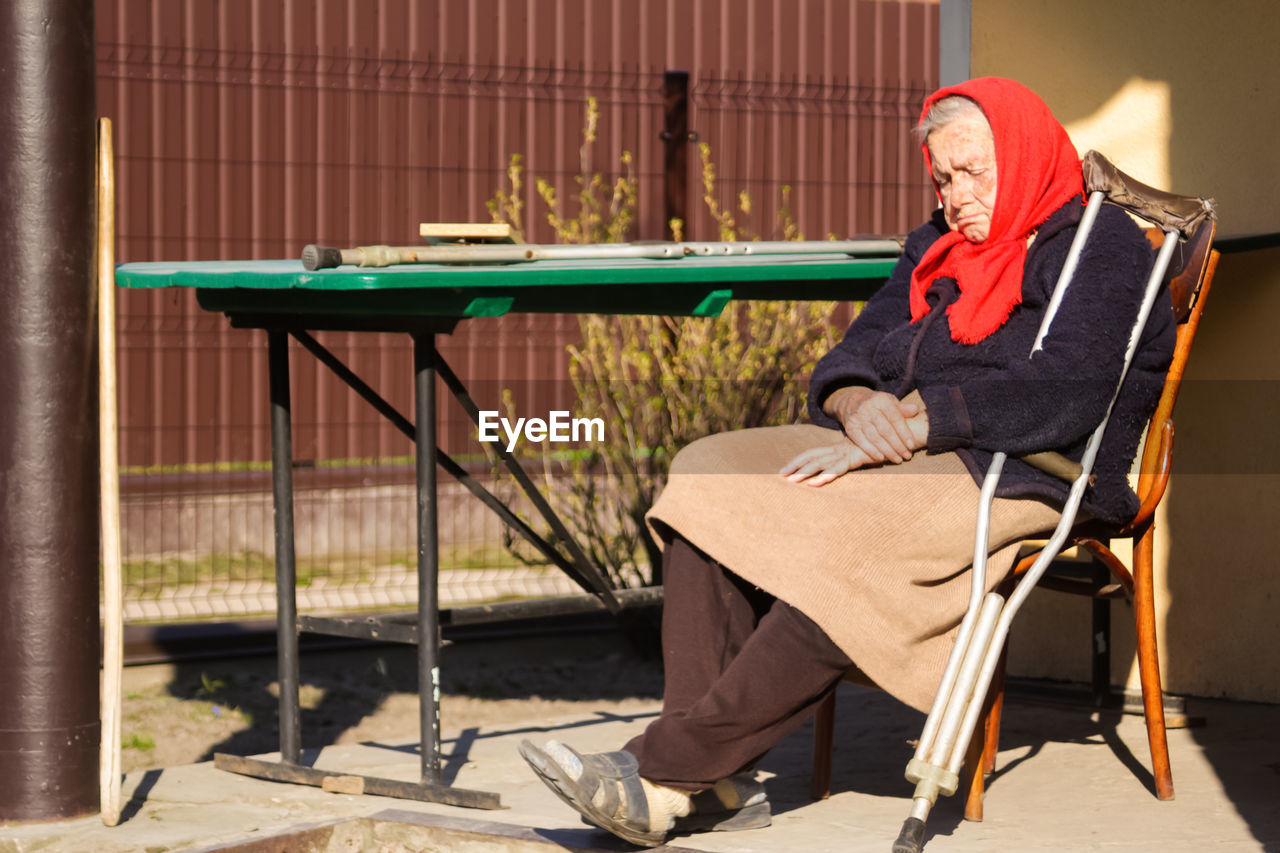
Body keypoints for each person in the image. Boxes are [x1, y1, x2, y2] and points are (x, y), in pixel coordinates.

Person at [518, 76, 1176, 847]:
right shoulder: (938, 245)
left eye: (973, 173)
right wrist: (855, 401)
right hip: (903, 443)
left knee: (851, 541)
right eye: (942, 177)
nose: (955, 195)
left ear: (1023, 155)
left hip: (1028, 468)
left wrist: (926, 416)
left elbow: (1064, 395)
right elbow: (854, 350)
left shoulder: (1098, 245)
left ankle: (663, 774)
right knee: (706, 476)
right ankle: (711, 779)